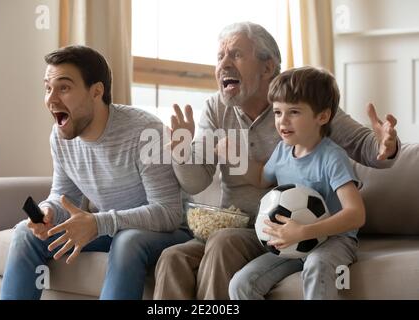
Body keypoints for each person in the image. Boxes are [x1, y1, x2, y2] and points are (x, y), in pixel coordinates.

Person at [153, 21, 399, 300]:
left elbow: (366, 146)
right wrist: (182, 151)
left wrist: (385, 145)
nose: (224, 64)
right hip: (239, 226)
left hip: (275, 229)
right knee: (173, 257)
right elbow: (200, 182)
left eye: (235, 54)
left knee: (223, 243)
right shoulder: (216, 109)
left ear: (267, 67)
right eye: (220, 56)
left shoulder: (303, 103)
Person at [0, 45, 191, 300]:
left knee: (127, 241)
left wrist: (100, 223)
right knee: (25, 234)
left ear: (96, 91)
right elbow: (64, 194)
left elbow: (168, 212)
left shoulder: (145, 131)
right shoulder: (60, 136)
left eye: (64, 88)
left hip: (166, 233)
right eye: (48, 88)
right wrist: (49, 211)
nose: (51, 99)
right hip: (111, 228)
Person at [228, 66, 365, 299]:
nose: (283, 121)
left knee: (317, 265)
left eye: (293, 112)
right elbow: (262, 178)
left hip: (333, 241)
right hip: (292, 243)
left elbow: (356, 214)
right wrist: (236, 157)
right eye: (278, 112)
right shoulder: (282, 151)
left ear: (322, 116)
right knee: (241, 284)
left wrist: (304, 231)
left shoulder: (332, 157)